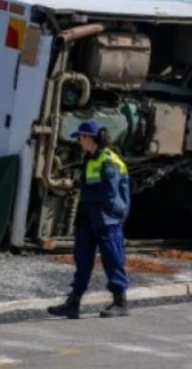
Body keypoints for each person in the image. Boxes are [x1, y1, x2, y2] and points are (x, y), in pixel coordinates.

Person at [48, 120, 131, 319]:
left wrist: (80, 188)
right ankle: (73, 302)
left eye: (81, 137)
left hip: (107, 218)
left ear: (89, 138)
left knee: (112, 258)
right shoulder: (90, 158)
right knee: (82, 259)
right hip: (90, 216)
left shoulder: (108, 160)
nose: (78, 141)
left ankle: (120, 301)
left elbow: (108, 193)